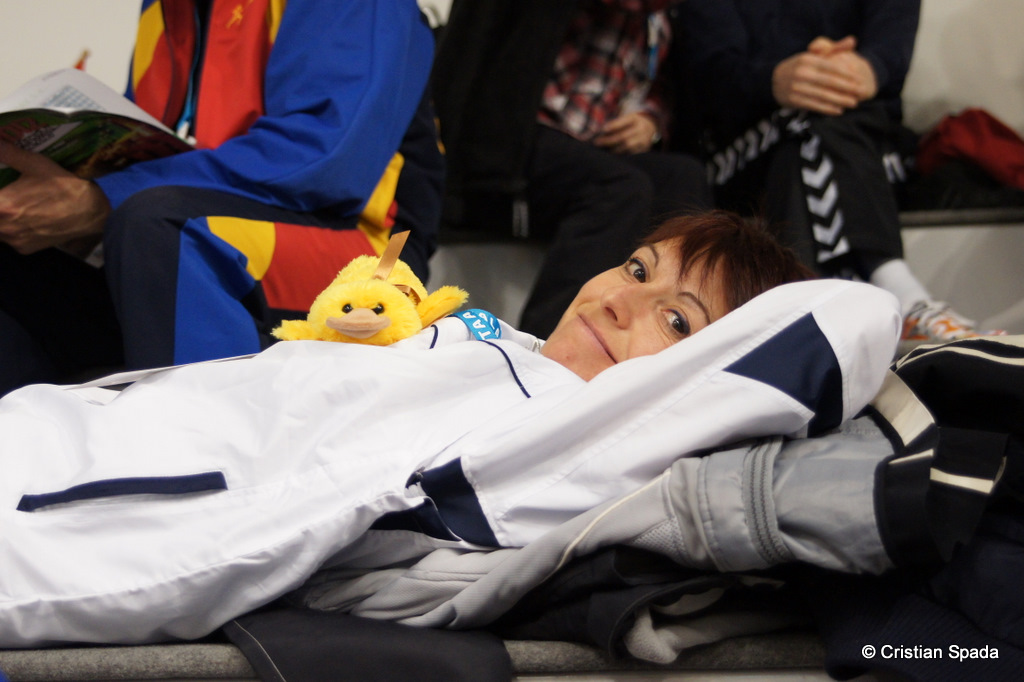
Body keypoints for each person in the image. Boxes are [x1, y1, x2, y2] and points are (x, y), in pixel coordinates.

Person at [0, 210, 906, 647]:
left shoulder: (569, 439)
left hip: (58, 516)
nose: (621, 300)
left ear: (697, 379)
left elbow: (851, 320)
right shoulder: (500, 342)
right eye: (637, 267)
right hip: (61, 423)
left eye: (676, 320)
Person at [0, 0, 444, 397]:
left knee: (162, 227)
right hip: (210, 228)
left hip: (378, 251)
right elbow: (151, 151)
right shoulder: (165, 8)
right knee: (14, 242)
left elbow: (326, 163)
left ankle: (206, 452)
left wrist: (103, 200)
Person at [676, 0, 1003, 345]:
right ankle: (905, 297)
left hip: (865, 147)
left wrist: (858, 71)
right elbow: (711, 76)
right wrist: (774, 80)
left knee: (816, 126)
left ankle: (806, 323)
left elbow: (890, 52)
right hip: (746, 157)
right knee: (807, 124)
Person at [432, 0, 712, 341]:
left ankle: (675, 340)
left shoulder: (662, 21)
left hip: (591, 147)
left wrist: (650, 119)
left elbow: (661, 85)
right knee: (620, 188)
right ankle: (546, 344)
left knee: (683, 176)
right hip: (514, 138)